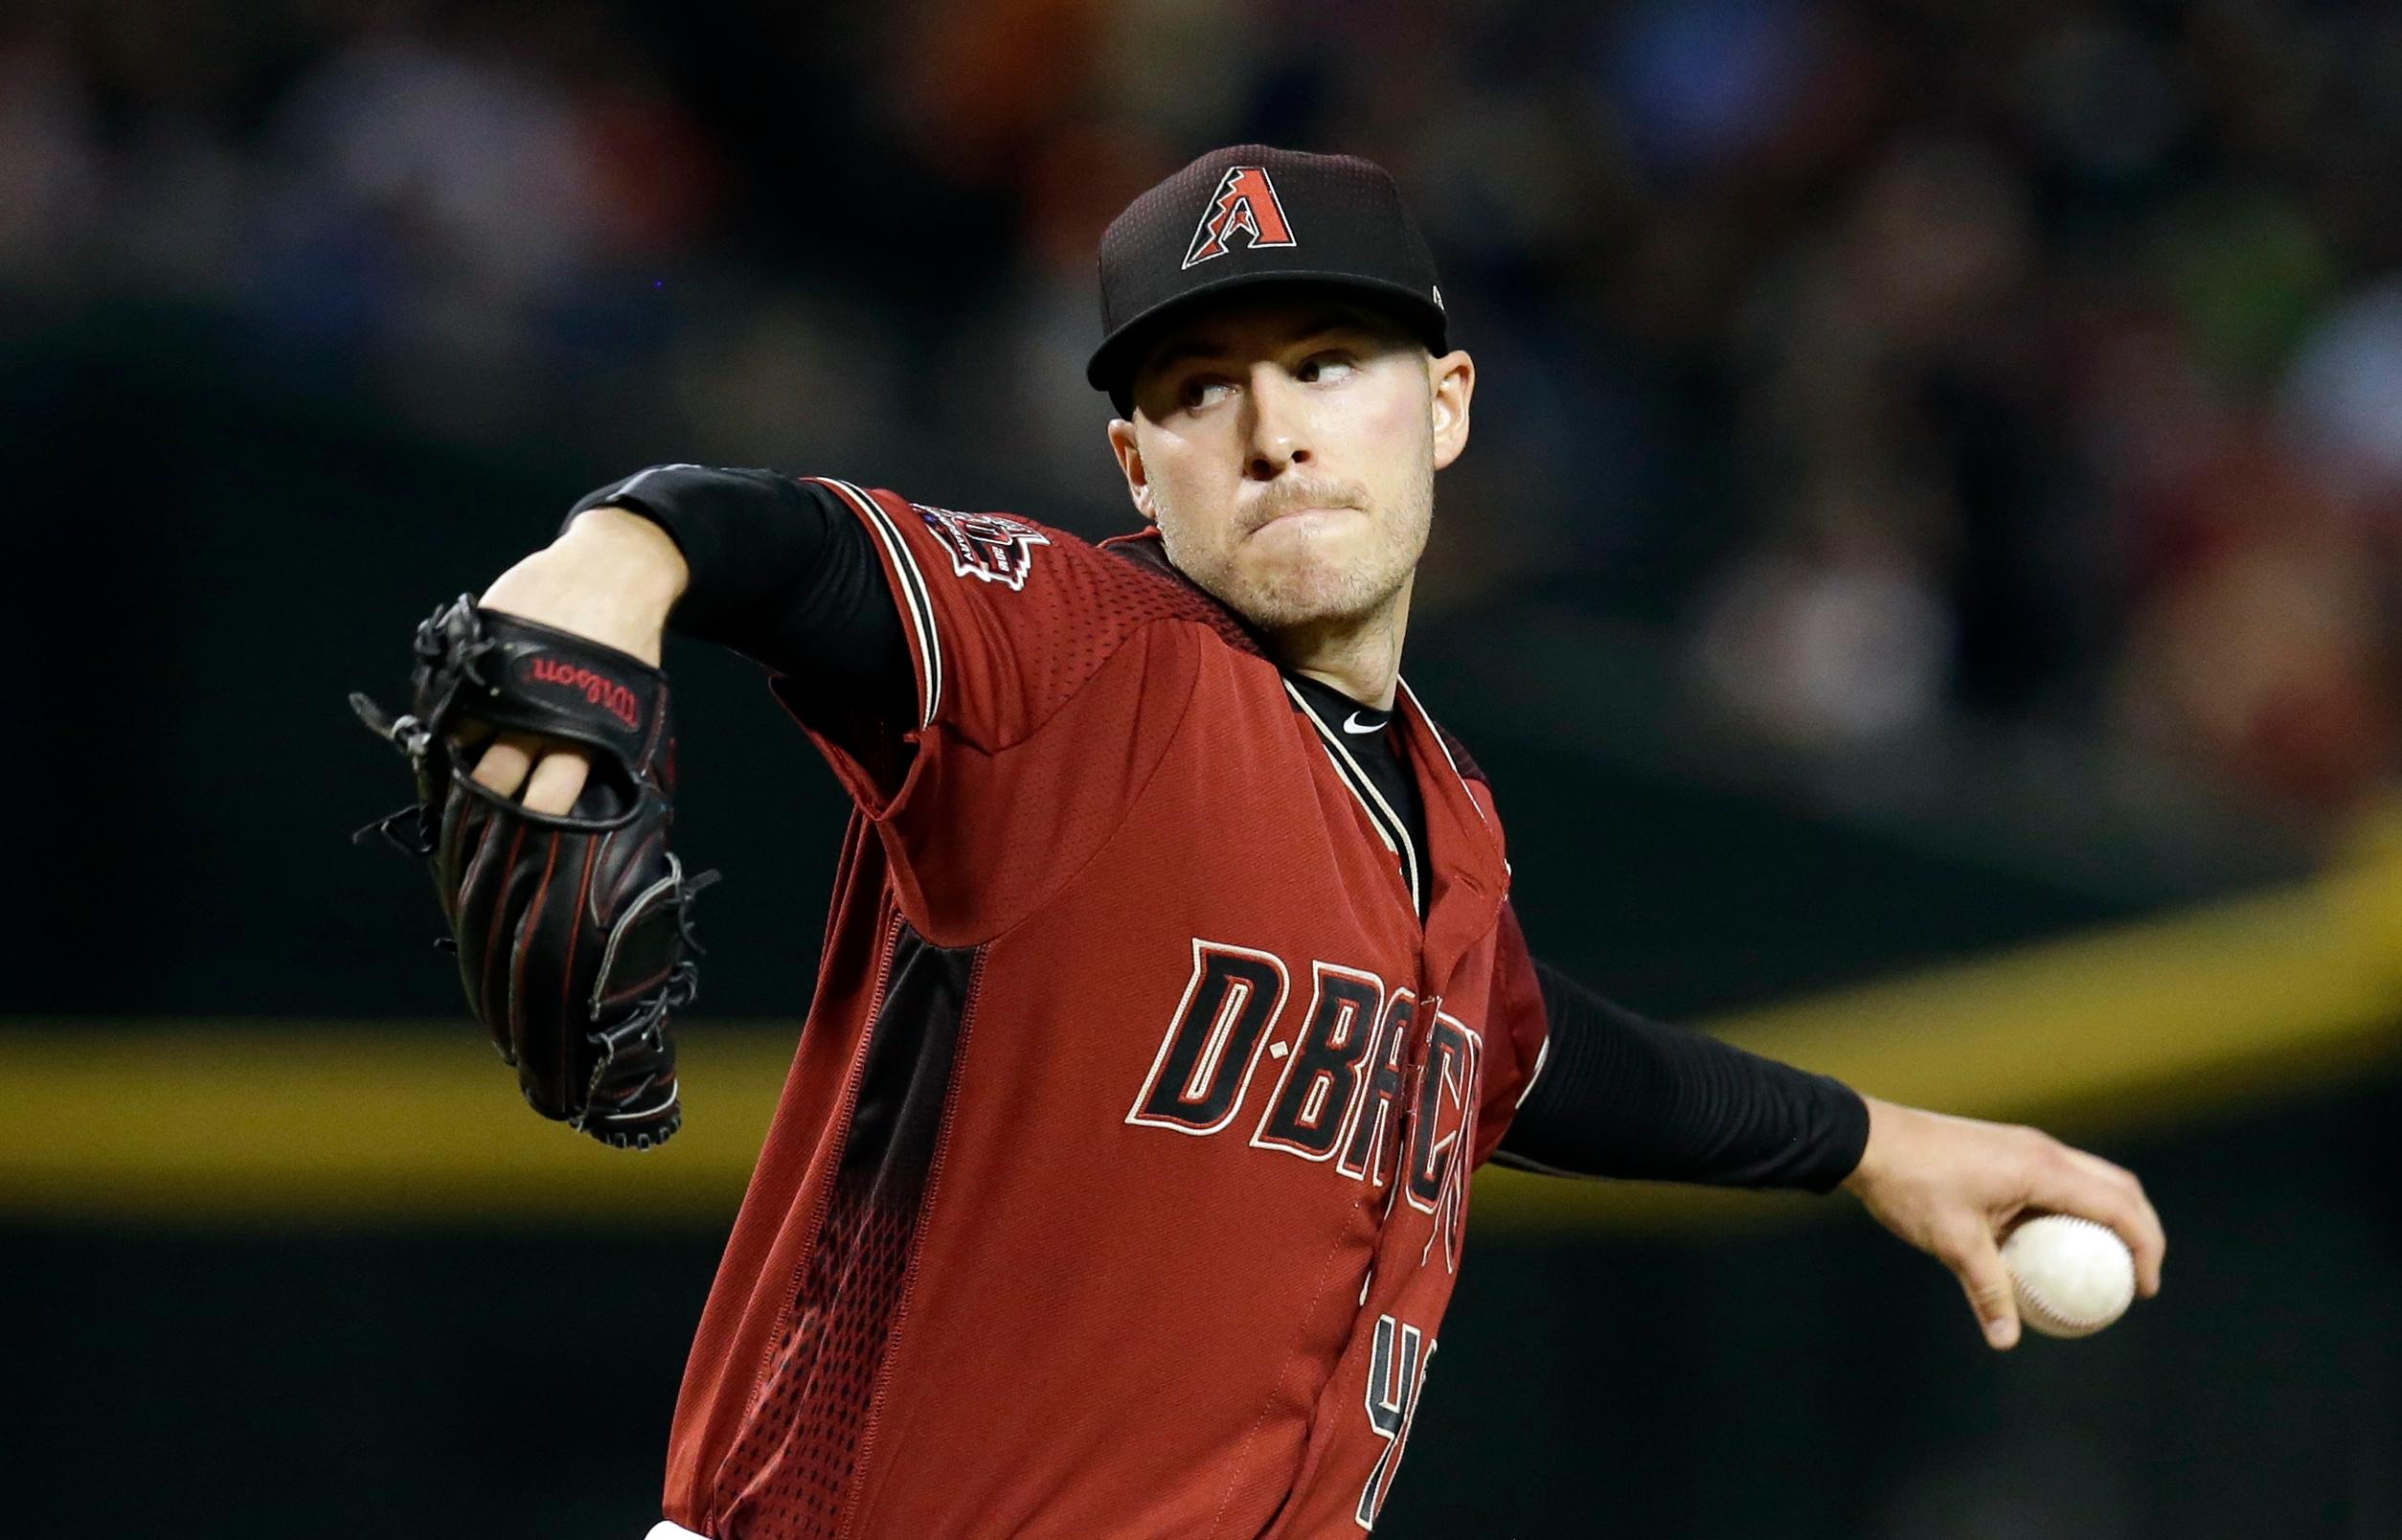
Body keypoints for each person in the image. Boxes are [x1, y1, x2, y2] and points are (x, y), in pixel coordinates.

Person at [461, 146, 2164, 1538]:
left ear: (1445, 405)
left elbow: (1523, 1049)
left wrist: (1872, 1144)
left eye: (1326, 366)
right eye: (1201, 389)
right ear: (1135, 456)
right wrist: (624, 558)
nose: (1271, 430)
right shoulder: (1076, 658)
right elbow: (792, 550)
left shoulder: (1443, 814)